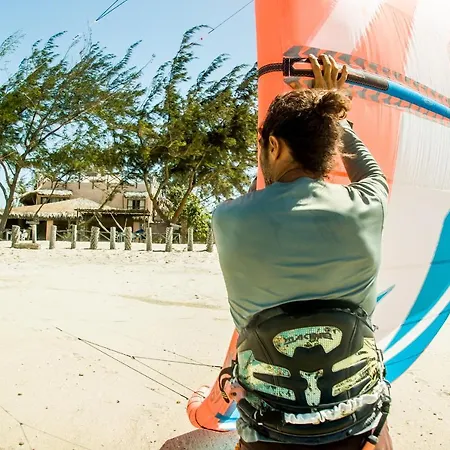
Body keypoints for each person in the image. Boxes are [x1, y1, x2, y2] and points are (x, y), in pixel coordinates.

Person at [212, 54, 393, 450]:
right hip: (357, 429)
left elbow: (262, 194)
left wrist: (324, 111)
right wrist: (336, 117)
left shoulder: (228, 218)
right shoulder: (370, 204)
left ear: (274, 145)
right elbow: (370, 171)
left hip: (269, 433)